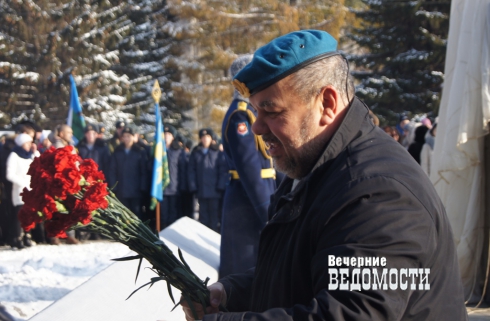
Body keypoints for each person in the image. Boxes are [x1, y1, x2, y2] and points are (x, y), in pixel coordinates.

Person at [181, 30, 466, 320]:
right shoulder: (312, 162)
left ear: (327, 104)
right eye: (256, 111)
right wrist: (231, 293)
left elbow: (346, 314)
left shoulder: (378, 193)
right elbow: (300, 272)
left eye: (271, 110)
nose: (256, 127)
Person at [219, 54, 278, 278]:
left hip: (258, 196)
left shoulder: (251, 112)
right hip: (248, 202)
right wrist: (266, 210)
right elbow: (250, 168)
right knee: (243, 270)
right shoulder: (241, 115)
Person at [187, 128, 227, 232]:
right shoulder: (196, 153)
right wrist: (193, 187)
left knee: (214, 217)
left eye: (207, 137)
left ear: (211, 138)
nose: (205, 139)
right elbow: (191, 171)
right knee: (203, 217)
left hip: (215, 191)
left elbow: (223, 171)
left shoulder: (217, 153)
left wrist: (220, 186)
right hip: (201, 191)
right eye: (203, 137)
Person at [5, 133, 39, 249]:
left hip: (30, 190)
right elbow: (10, 174)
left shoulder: (30, 155)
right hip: (19, 190)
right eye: (27, 143)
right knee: (19, 215)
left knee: (29, 215)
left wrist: (35, 152)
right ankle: (18, 237)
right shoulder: (14, 155)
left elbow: (38, 162)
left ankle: (27, 236)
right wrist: (22, 183)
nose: (29, 145)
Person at [108, 127, 148, 220]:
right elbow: (112, 171)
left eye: (129, 136)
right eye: (124, 136)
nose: (126, 138)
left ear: (133, 137)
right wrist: (114, 187)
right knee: (123, 217)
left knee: (136, 215)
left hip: (136, 190)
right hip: (121, 190)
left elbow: (143, 171)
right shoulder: (117, 151)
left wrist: (142, 187)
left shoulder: (139, 151)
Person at [161, 124, 186, 228]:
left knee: (173, 213)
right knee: (163, 213)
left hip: (174, 187)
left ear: (173, 137)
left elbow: (182, 170)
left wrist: (183, 186)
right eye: (165, 134)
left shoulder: (178, 151)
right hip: (161, 188)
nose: (166, 136)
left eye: (169, 134)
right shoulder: (158, 150)